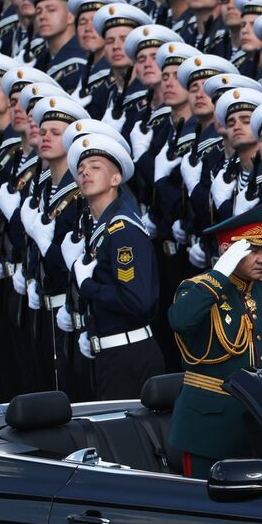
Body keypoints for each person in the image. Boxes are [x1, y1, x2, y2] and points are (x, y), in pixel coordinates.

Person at [168, 206, 262, 479]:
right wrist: (220, 273)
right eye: (253, 250)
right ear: (227, 251)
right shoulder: (197, 289)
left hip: (261, 425)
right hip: (210, 429)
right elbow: (181, 321)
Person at [63, 130, 164, 400]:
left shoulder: (122, 229)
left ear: (116, 178)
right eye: (81, 169)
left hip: (129, 357)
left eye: (96, 167)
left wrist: (88, 286)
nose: (86, 173)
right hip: (110, 353)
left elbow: (136, 301)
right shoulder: (102, 227)